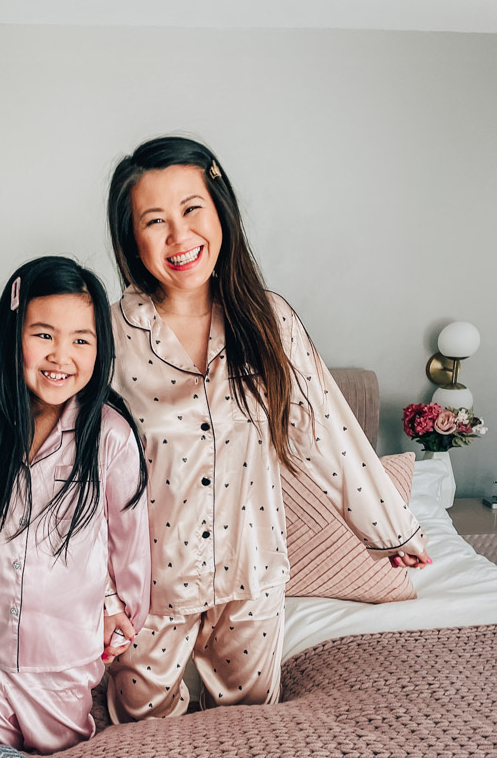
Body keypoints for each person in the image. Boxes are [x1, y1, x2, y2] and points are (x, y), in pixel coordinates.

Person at [103, 135, 430, 723]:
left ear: (219, 209)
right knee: (140, 745)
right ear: (133, 238)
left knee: (250, 743)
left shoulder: (268, 321)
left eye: (192, 209)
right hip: (151, 588)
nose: (179, 236)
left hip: (250, 576)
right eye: (155, 221)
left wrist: (392, 529)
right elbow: (75, 466)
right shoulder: (112, 337)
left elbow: (328, 426)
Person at [0, 256, 150, 753]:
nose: (61, 356)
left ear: (100, 349)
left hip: (61, 658)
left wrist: (123, 617)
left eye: (81, 340)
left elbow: (129, 548)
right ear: (13, 336)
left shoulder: (111, 439)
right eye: (43, 335)